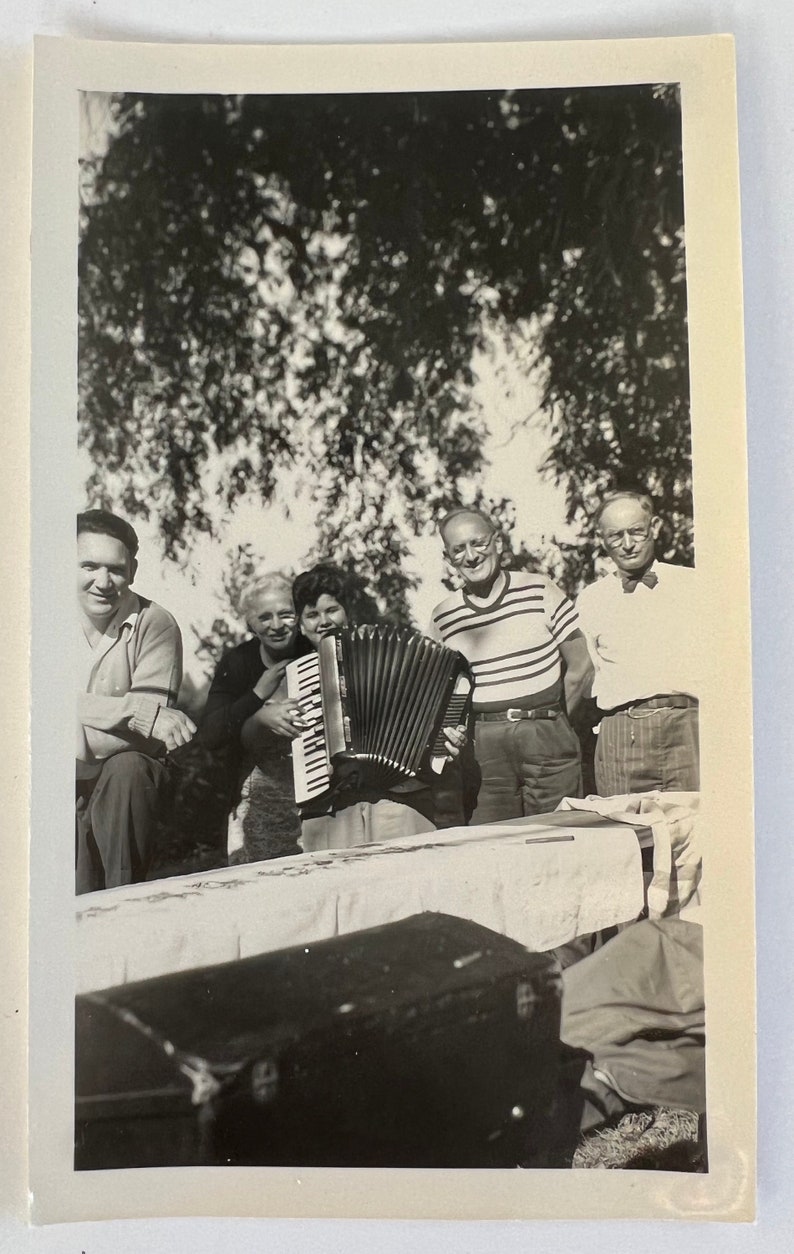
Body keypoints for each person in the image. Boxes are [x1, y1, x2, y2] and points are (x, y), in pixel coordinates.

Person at [428, 507, 591, 823]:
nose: (472, 556)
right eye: (459, 549)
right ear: (448, 558)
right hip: (484, 747)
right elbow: (436, 695)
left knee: (561, 840)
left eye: (479, 543)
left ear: (497, 543)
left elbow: (581, 666)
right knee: (495, 847)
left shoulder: (540, 589)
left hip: (547, 732)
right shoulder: (443, 617)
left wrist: (554, 723)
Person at [290, 564, 468, 851]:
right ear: (300, 625)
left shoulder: (393, 651)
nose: (323, 621)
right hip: (330, 806)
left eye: (332, 610)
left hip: (399, 798)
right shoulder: (298, 677)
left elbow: (433, 708)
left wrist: (446, 740)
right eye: (312, 615)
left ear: (347, 611)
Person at [76, 509, 196, 894]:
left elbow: (145, 737)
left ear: (134, 569)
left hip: (123, 778)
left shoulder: (156, 623)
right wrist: (133, 711)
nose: (103, 582)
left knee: (129, 768)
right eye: (89, 566)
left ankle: (124, 904)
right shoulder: (35, 618)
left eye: (116, 569)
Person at [576, 491, 700, 796]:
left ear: (654, 527)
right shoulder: (591, 599)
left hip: (688, 726)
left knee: (698, 829)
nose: (628, 544)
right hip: (622, 733)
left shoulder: (693, 584)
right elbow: (588, 673)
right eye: (616, 536)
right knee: (626, 833)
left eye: (636, 531)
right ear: (602, 539)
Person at [196, 572, 307, 861]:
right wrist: (257, 697)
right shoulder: (238, 662)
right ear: (250, 624)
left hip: (317, 795)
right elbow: (210, 736)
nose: (277, 626)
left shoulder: (314, 650)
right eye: (265, 618)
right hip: (256, 798)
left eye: (286, 615)